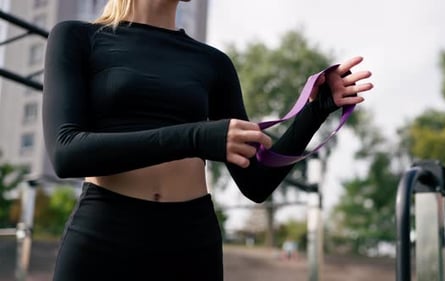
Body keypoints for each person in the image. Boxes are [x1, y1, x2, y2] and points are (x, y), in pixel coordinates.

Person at [42, 0, 373, 280]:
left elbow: (256, 182)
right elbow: (66, 152)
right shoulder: (77, 37)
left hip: (191, 243)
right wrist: (198, 137)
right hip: (103, 238)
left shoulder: (213, 63)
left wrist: (314, 112)